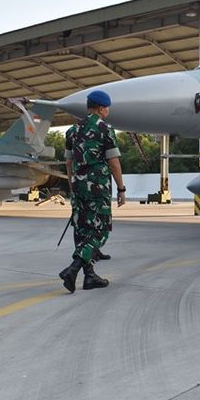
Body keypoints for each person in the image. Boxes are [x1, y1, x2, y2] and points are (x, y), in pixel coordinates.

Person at [59, 90, 126, 293]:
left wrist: (72, 183)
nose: (108, 111)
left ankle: (90, 277)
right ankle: (74, 267)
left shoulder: (72, 130)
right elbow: (114, 163)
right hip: (97, 187)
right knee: (101, 230)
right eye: (107, 108)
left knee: (82, 229)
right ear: (100, 108)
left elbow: (69, 161)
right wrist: (121, 188)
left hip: (78, 186)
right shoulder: (105, 129)